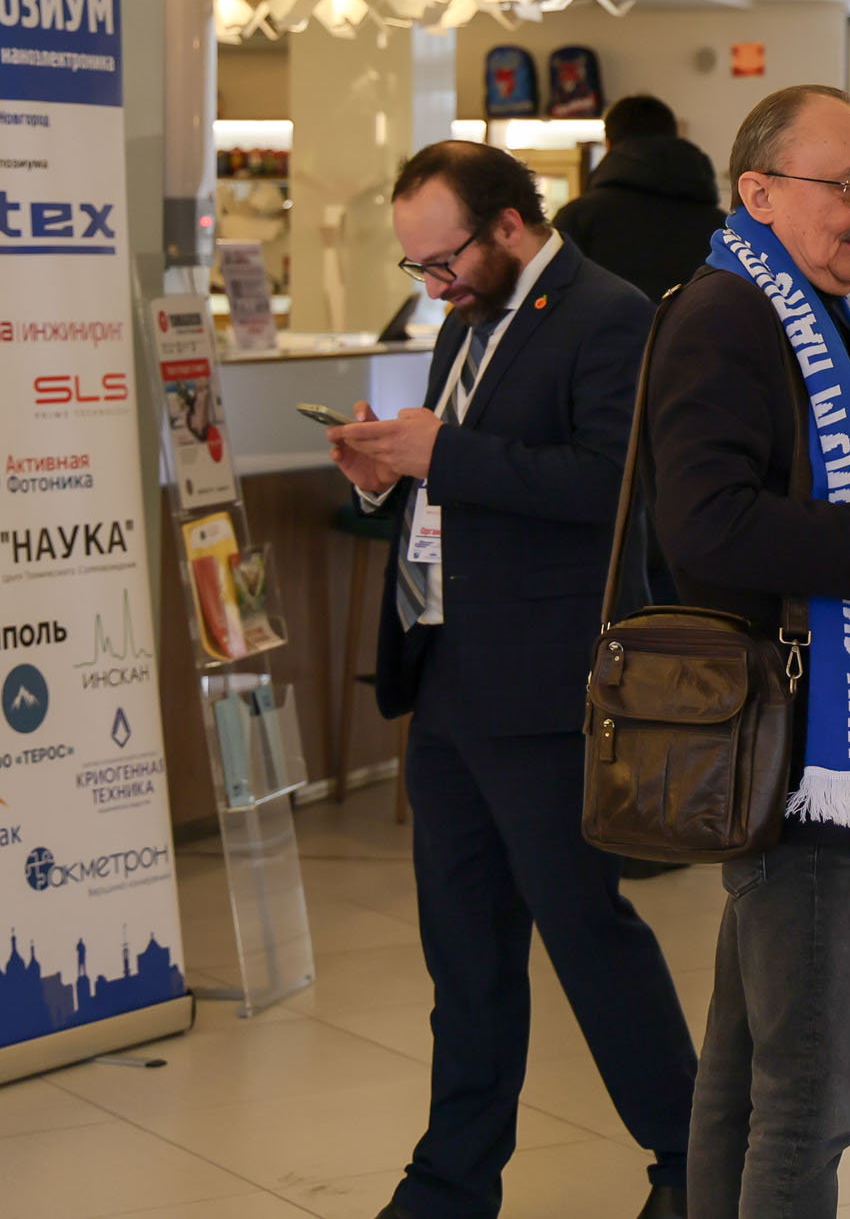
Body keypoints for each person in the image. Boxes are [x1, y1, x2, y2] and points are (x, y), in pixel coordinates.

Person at [326, 140, 695, 1219]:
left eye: (443, 260)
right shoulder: (467, 318)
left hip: (543, 683)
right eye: (417, 267)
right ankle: (449, 1183)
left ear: (508, 225)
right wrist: (386, 476)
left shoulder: (606, 313)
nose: (433, 284)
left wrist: (440, 456)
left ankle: (691, 1160)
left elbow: (610, 484)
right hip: (447, 672)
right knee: (465, 952)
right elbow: (458, 479)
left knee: (586, 934)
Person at [643, 84, 850, 1218]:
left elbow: (814, 486)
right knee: (810, 1090)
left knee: (746, 1076)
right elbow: (706, 526)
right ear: (759, 191)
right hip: (798, 742)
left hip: (814, 728)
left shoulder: (807, 312)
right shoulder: (728, 316)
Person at [553, 94, 729, 302]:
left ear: (608, 145)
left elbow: (556, 300)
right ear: (674, 138)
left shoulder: (576, 218)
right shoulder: (722, 227)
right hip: (697, 324)